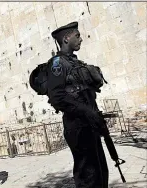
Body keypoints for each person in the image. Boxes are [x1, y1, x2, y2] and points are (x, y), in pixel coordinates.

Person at [31, 22, 109, 188]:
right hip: (77, 126)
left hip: (89, 123)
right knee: (89, 177)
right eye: (77, 36)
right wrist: (87, 112)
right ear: (66, 39)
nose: (81, 39)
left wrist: (95, 115)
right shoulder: (58, 64)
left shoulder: (75, 63)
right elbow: (57, 96)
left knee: (101, 173)